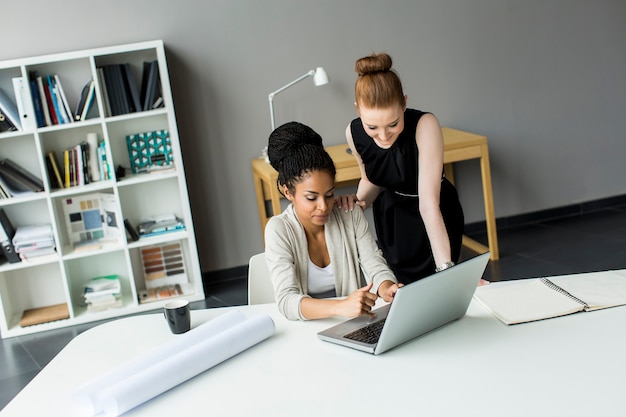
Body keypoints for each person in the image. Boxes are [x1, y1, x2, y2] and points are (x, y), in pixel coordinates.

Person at [336, 52, 465, 284]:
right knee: (402, 290)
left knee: (438, 285)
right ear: (358, 110)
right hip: (392, 217)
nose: (384, 136)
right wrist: (357, 203)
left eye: (393, 124)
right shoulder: (353, 133)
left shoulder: (425, 125)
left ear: (404, 103)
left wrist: (448, 273)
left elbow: (428, 205)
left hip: (434, 212)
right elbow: (371, 179)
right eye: (372, 127)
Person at [264, 121, 401, 321]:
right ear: (288, 192)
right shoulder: (279, 229)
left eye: (329, 195)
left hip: (351, 322)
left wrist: (388, 287)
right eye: (311, 198)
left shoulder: (349, 213)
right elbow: (286, 300)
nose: (323, 206)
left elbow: (374, 265)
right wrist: (340, 307)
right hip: (305, 329)